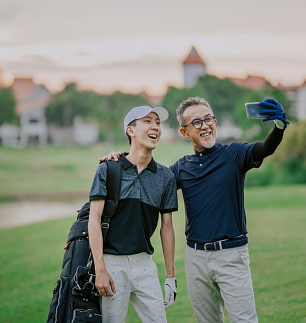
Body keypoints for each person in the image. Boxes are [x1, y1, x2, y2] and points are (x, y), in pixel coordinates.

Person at [103, 97, 288, 322]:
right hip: (196, 259)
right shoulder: (180, 168)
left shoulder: (234, 154)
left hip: (231, 254)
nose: (206, 125)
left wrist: (278, 126)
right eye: (197, 122)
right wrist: (118, 161)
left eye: (209, 119)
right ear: (184, 132)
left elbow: (265, 148)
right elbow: (145, 179)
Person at [88, 105, 178, 323]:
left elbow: (167, 227)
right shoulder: (109, 168)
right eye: (147, 121)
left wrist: (170, 276)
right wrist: (100, 268)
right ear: (131, 130)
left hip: (144, 263)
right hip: (112, 264)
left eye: (157, 122)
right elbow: (94, 219)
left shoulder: (165, 177)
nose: (155, 126)